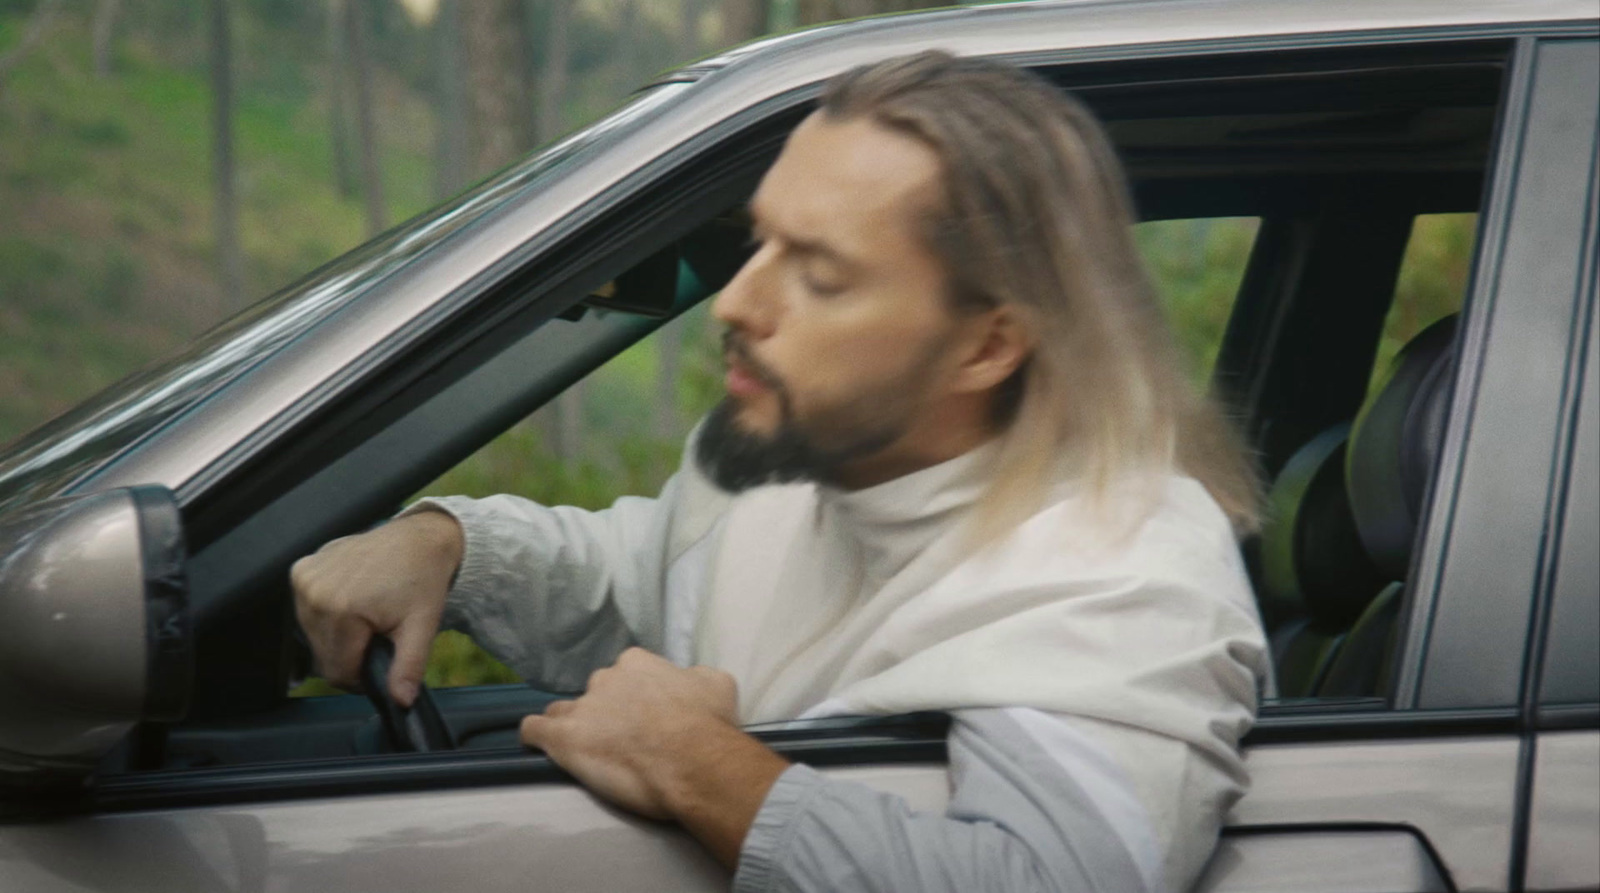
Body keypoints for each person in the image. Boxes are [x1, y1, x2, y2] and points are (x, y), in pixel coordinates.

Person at [292, 51, 1269, 893]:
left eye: (820, 272)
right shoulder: (797, 458)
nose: (737, 299)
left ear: (986, 345)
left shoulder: (1122, 577)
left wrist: (699, 765)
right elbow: (641, 570)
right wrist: (450, 547)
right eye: (759, 239)